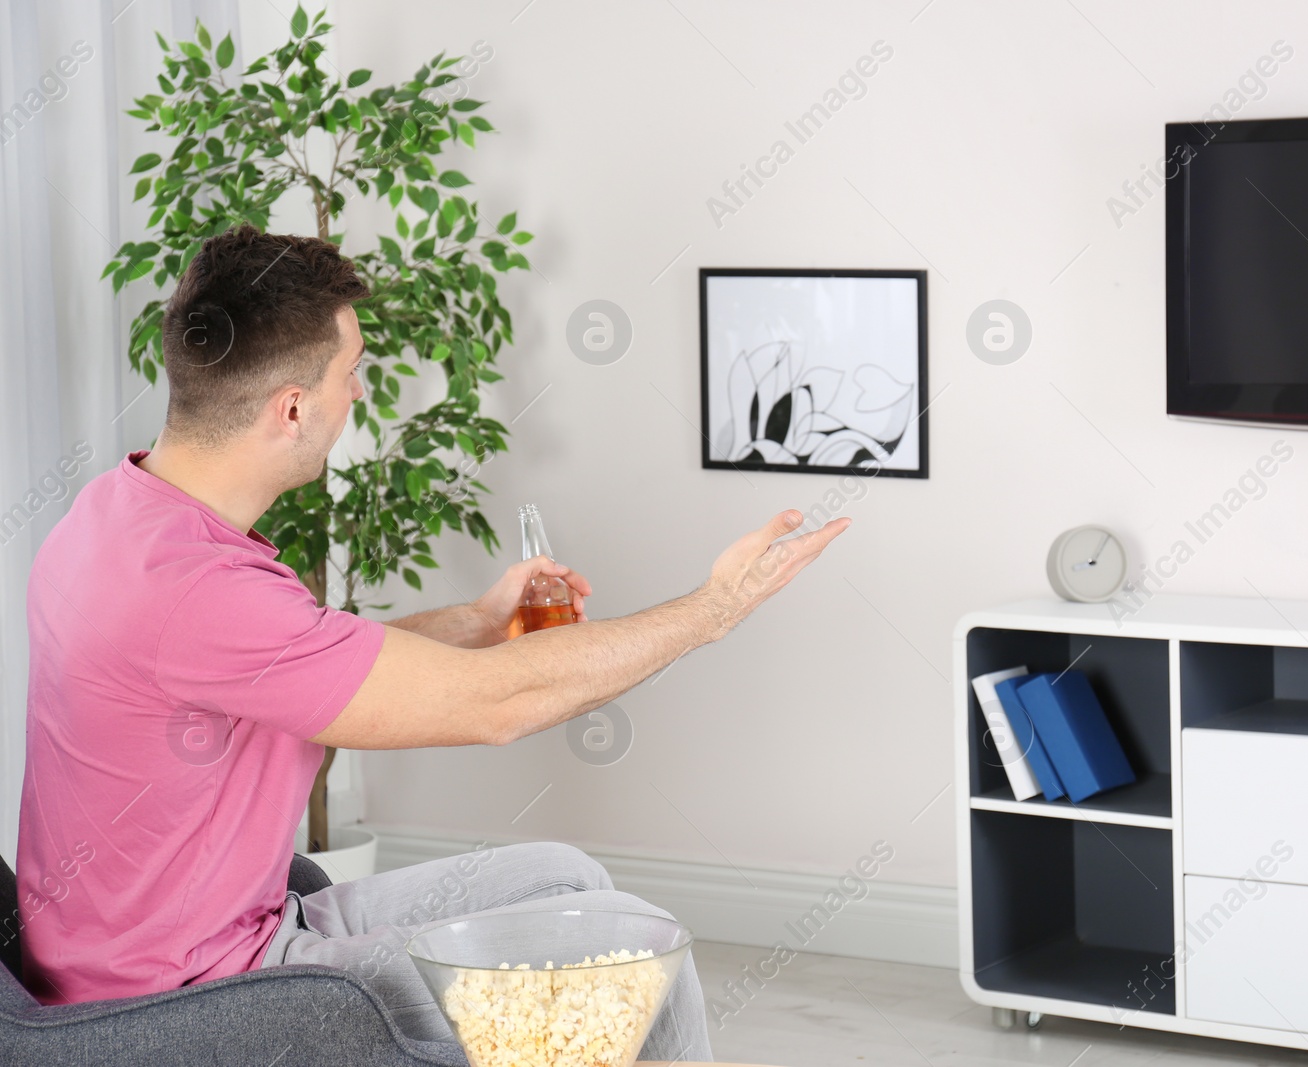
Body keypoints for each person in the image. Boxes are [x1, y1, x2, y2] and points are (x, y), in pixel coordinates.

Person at [15, 224, 850, 1058]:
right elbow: (500, 706)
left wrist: (478, 623)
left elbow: (302, 666)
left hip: (197, 931)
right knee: (641, 946)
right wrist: (714, 608)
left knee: (564, 878)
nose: (359, 397)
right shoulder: (202, 590)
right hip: (206, 990)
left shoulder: (119, 516)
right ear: (293, 407)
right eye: (353, 374)